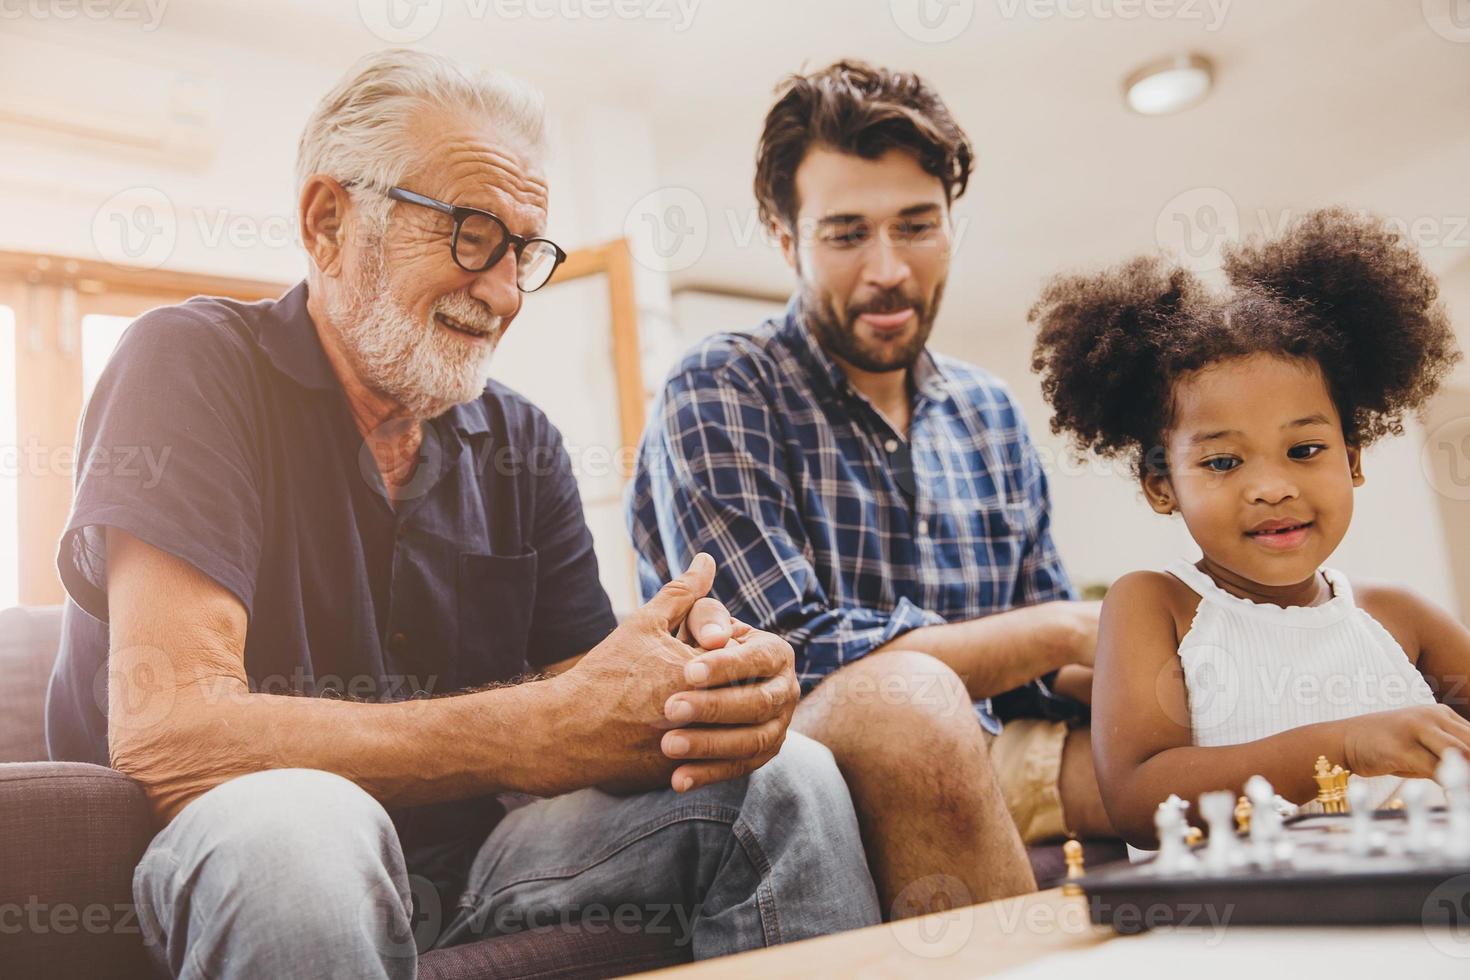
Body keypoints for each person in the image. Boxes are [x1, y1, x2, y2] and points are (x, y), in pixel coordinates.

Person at [43, 49, 878, 978]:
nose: (506, 291)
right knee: (304, 827)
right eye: (473, 232)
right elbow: (171, 735)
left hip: (482, 865)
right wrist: (537, 724)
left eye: (527, 251)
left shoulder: (525, 442)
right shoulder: (189, 364)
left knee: (789, 780)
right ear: (329, 222)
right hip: (236, 849)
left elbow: (594, 707)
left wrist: (702, 690)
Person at [628, 60, 1113, 915]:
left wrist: (1169, 649)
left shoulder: (988, 411)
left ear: (950, 226)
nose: (888, 269)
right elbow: (784, 655)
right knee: (909, 701)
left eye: (916, 227)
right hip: (805, 758)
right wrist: (1064, 626)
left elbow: (1045, 670)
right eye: (847, 234)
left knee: (1222, 729)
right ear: (788, 242)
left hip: (995, 747)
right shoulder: (721, 387)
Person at [1030, 206, 1470, 848]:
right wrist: (1348, 745)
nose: (1271, 486)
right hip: (1234, 931)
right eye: (1223, 462)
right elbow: (1138, 796)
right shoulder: (1158, 607)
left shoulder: (1401, 618)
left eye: (1304, 451)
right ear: (1162, 487)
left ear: (1352, 462)